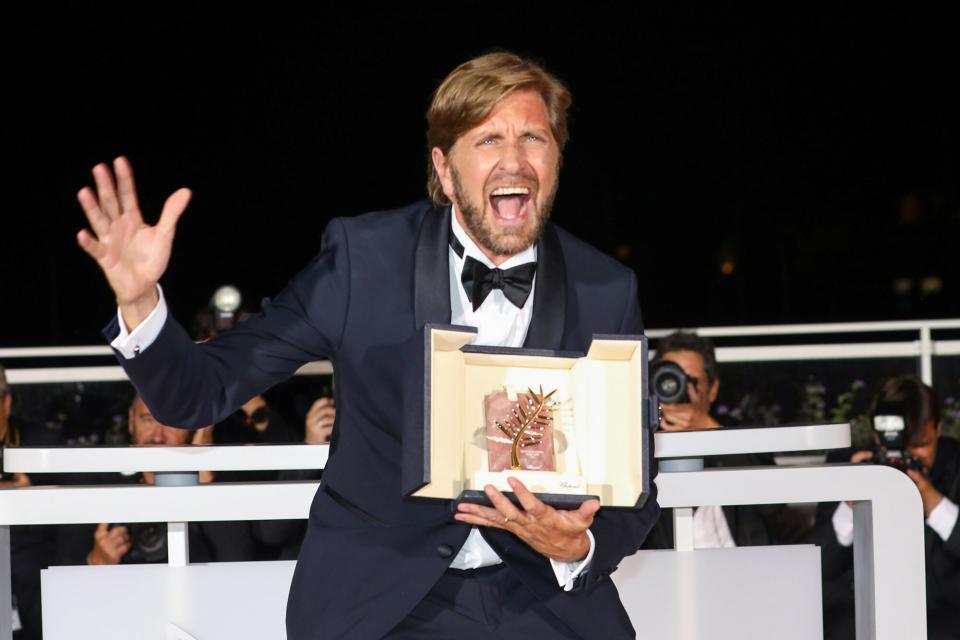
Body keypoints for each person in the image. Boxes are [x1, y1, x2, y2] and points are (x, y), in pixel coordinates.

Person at [76, 51, 659, 639]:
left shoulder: (606, 289)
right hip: (386, 603)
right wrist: (140, 303)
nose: (514, 160)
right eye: (487, 140)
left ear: (556, 159)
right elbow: (198, 394)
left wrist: (578, 543)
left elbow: (634, 489)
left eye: (534, 137)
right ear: (445, 169)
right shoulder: (364, 260)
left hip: (542, 601)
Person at [810, 376, 960, 640]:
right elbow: (819, 567)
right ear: (876, 434)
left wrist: (931, 501)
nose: (904, 456)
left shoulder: (956, 465)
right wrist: (850, 504)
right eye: (895, 447)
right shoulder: (850, 466)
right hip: (864, 617)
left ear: (937, 428)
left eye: (920, 445)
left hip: (942, 616)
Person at [56, 394, 257, 566]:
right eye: (148, 419)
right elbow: (55, 584)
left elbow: (238, 562)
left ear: (194, 427)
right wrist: (95, 562)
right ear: (131, 419)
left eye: (171, 423)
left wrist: (205, 482)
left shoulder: (214, 480)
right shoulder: (97, 481)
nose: (158, 436)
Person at [643, 332, 784, 549]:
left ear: (713, 389)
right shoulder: (639, 447)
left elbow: (774, 503)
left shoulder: (741, 437)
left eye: (691, 381)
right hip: (662, 574)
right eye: (668, 379)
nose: (679, 389)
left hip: (746, 571)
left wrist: (711, 432)